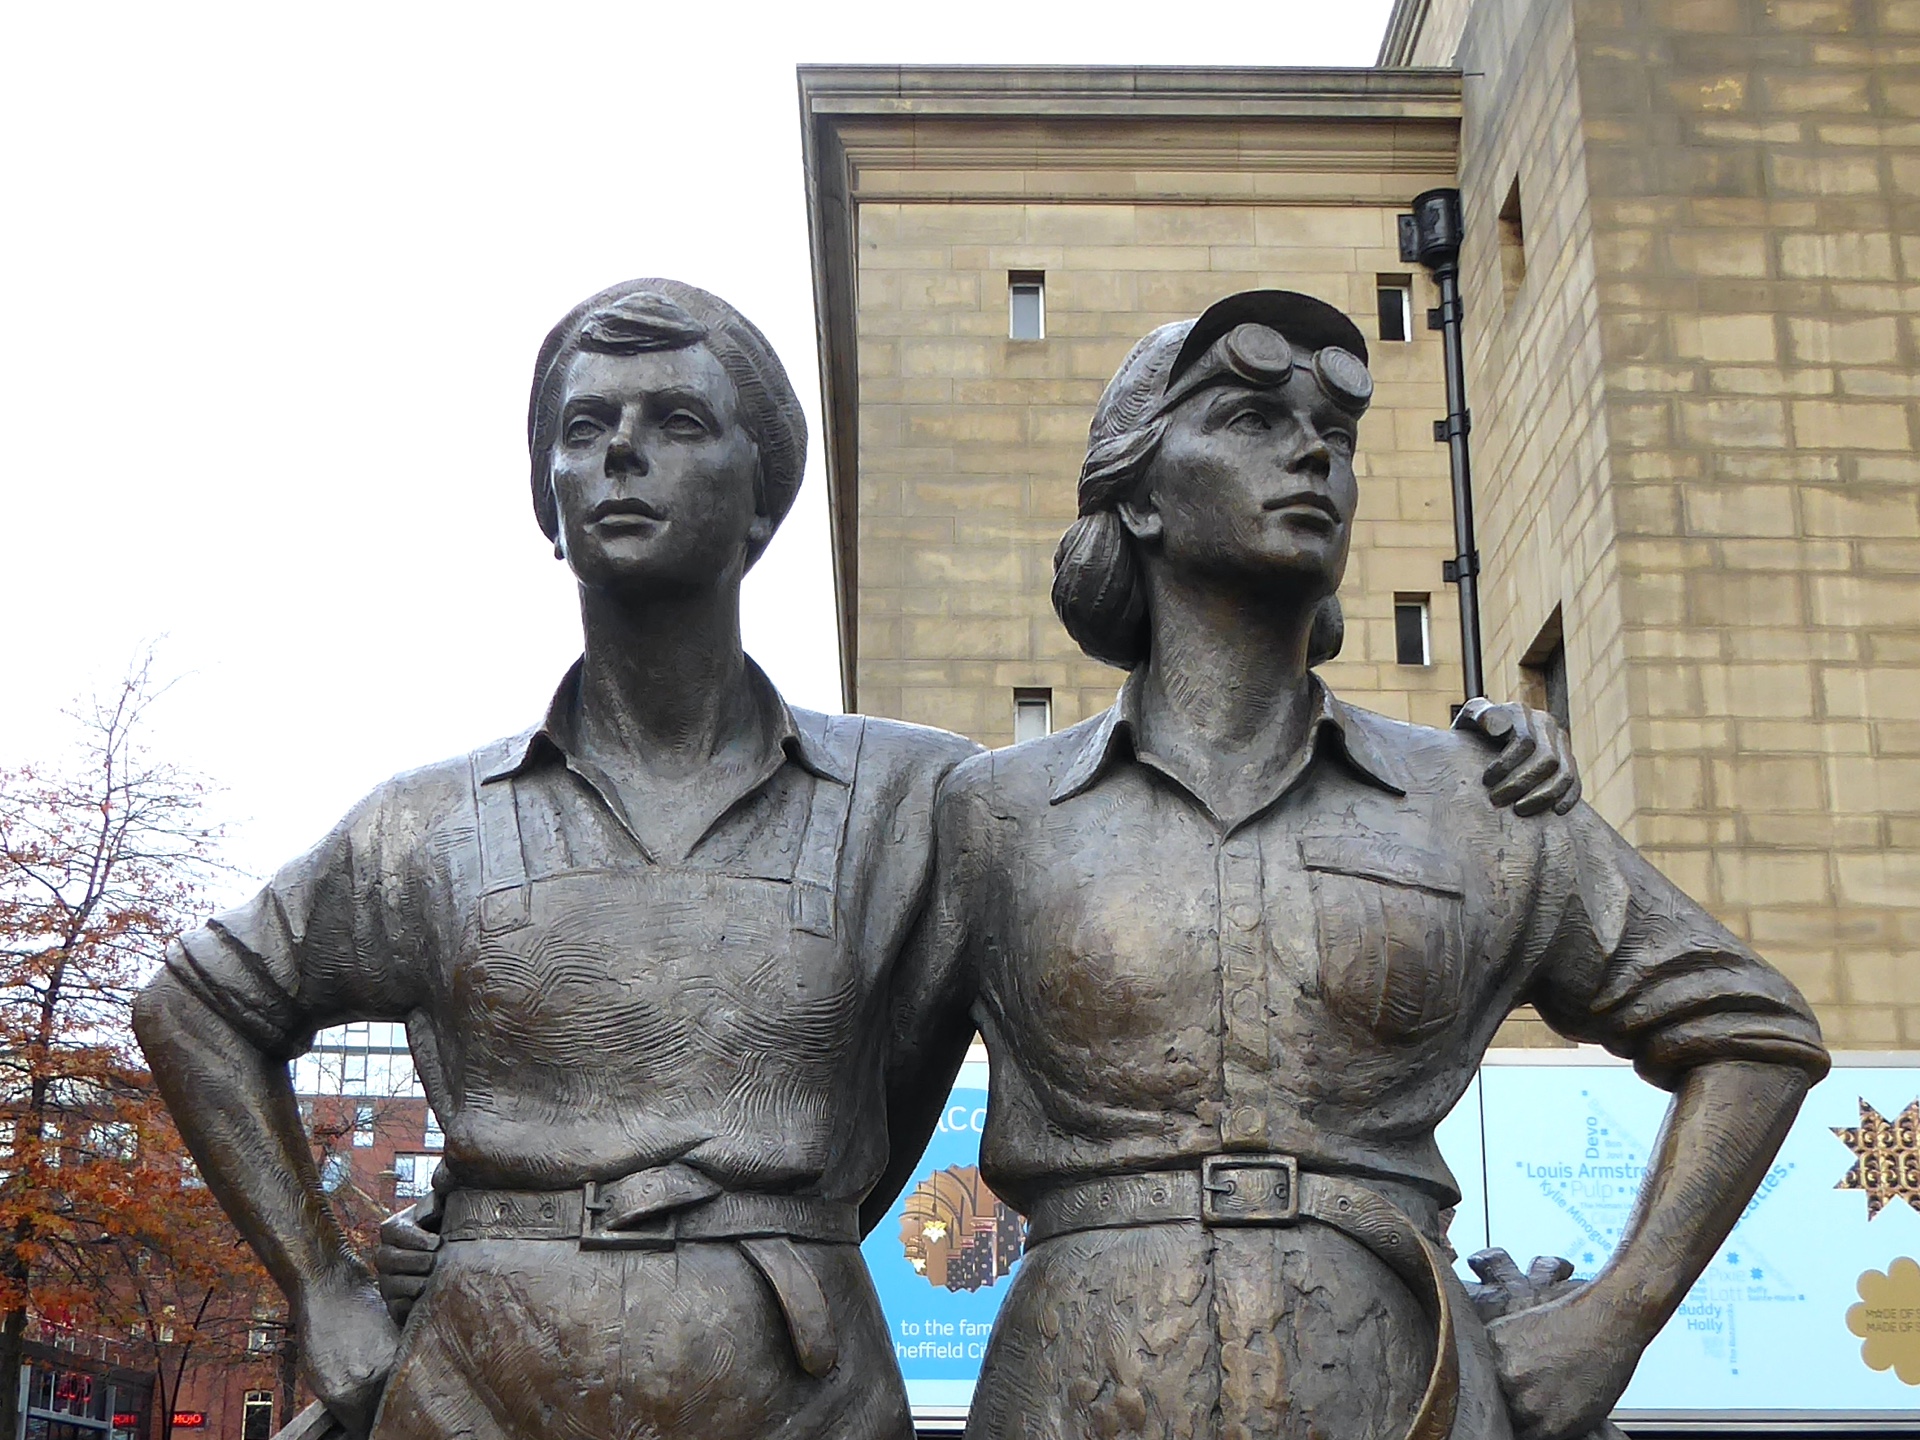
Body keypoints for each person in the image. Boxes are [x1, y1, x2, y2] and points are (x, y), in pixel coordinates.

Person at [137, 277, 1579, 1440]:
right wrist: (326, 1282)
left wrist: (1473, 767)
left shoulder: (924, 795)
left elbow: (1126, 853)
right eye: (581, 429)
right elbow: (198, 1004)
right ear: (543, 496)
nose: (618, 453)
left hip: (791, 1382)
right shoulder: (427, 819)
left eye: (675, 421)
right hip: (477, 1380)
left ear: (766, 493)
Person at [885, 291, 1831, 1440]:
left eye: (1335, 438)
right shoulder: (993, 812)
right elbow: (844, 1136)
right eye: (1248, 418)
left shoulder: (1476, 800)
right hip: (1083, 1382)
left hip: (1397, 1379)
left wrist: (1614, 1319)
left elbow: (1753, 1033)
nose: (1309, 454)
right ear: (1136, 495)